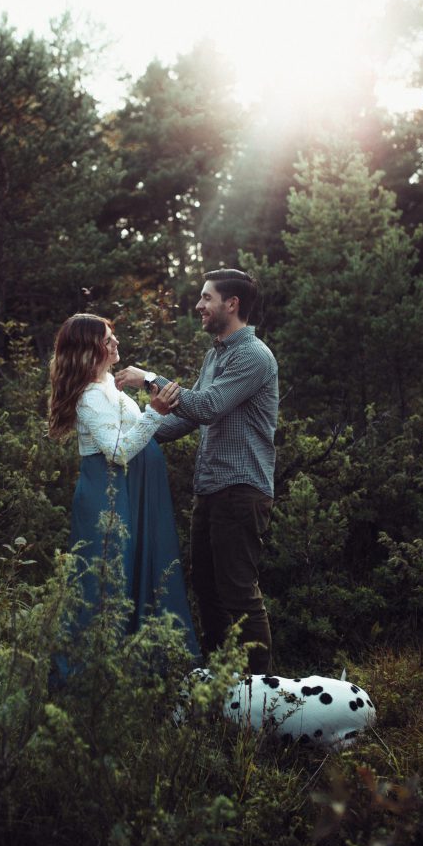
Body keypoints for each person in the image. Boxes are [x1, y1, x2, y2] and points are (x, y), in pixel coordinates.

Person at [115, 269, 278, 674]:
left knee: (239, 592)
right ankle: (222, 687)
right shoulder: (215, 355)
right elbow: (188, 420)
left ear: (231, 304)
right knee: (207, 590)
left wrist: (149, 378)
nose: (199, 306)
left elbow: (206, 406)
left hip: (241, 490)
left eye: (206, 298)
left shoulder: (254, 355)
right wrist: (131, 438)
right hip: (210, 489)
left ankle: (259, 695)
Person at [48, 313, 199, 658]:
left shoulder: (107, 385)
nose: (116, 342)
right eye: (107, 339)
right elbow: (118, 451)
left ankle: (139, 662)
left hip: (134, 491)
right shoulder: (89, 395)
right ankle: (90, 670)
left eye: (113, 336)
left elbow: (141, 431)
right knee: (107, 578)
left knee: (137, 571)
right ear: (89, 349)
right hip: (110, 492)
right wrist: (155, 411)